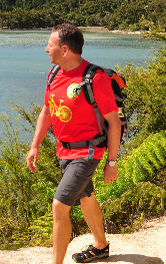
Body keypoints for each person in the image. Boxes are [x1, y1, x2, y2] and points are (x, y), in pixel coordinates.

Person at [26, 23, 120, 264]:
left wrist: (112, 161)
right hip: (63, 152)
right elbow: (46, 112)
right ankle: (101, 246)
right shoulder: (54, 74)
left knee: (59, 206)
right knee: (86, 198)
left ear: (65, 49)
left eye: (50, 44)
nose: (46, 49)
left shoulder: (94, 78)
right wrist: (35, 145)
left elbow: (114, 122)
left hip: (87, 152)